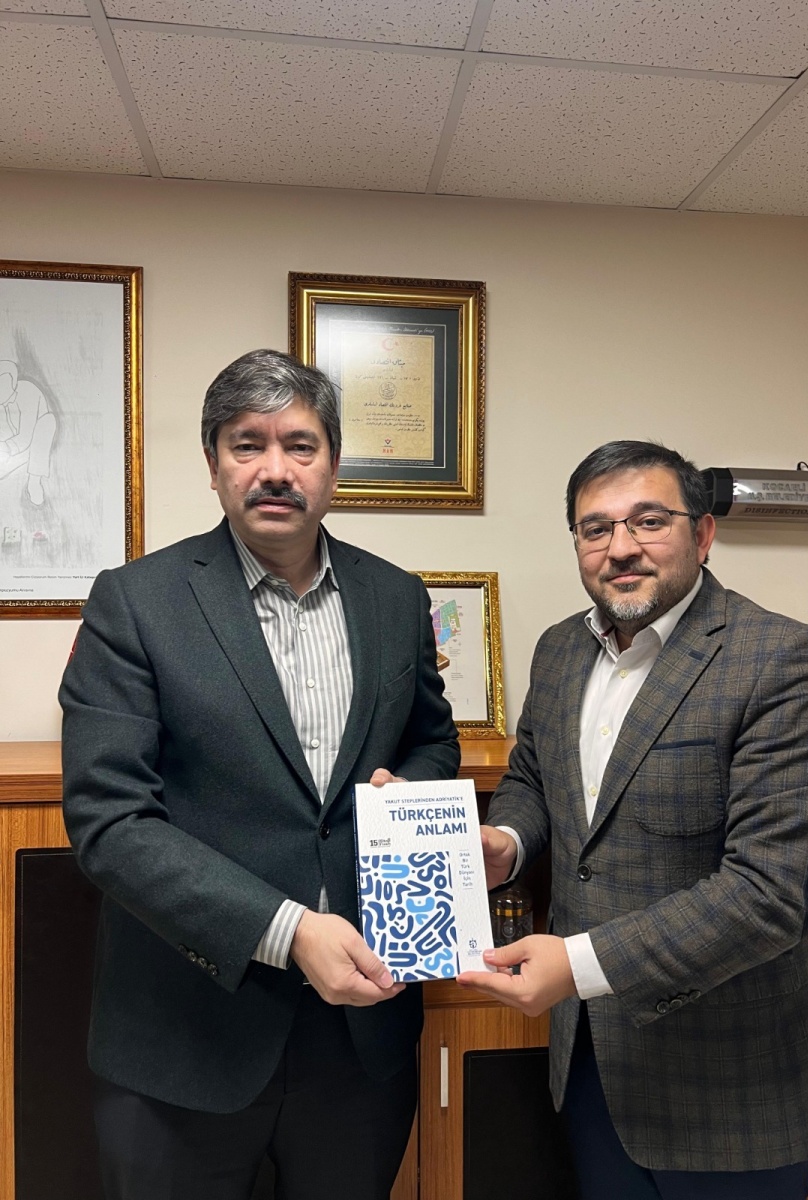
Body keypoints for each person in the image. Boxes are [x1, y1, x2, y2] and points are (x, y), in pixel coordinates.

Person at [59, 349, 459, 1200]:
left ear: (334, 466)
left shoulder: (396, 597)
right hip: (186, 1036)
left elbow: (431, 742)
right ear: (213, 466)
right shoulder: (135, 602)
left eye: (300, 446)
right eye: (248, 444)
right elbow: (110, 821)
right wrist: (287, 929)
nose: (275, 469)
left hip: (362, 1037)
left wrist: (409, 793)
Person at [459, 440, 808, 1200]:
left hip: (733, 1086)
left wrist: (575, 966)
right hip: (593, 1066)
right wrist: (505, 841)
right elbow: (534, 779)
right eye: (595, 528)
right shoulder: (560, 650)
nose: (620, 548)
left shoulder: (783, 661)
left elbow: (769, 895)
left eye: (648, 521)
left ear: (703, 534)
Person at [0, 358, 57, 505]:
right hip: (17, 445)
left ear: (11, 382)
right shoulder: (4, 404)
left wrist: (6, 447)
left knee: (47, 422)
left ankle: (34, 481)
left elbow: (26, 435)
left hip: (37, 439)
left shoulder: (28, 391)